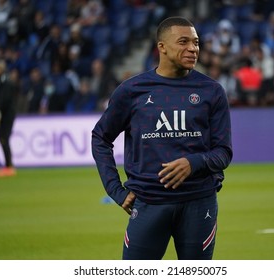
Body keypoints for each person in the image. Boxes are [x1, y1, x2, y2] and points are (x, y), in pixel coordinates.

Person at [91, 16, 233, 260]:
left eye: (196, 42)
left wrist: (193, 163)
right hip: (148, 204)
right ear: (162, 47)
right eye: (184, 41)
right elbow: (100, 137)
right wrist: (116, 190)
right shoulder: (132, 90)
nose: (193, 48)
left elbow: (224, 152)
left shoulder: (212, 91)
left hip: (199, 204)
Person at [0, 59, 17, 177]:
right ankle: (8, 165)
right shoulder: (1, 82)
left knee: (4, 138)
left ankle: (9, 166)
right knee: (3, 138)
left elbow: (5, 99)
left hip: (7, 115)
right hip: (4, 114)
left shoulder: (6, 83)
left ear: (1, 70)